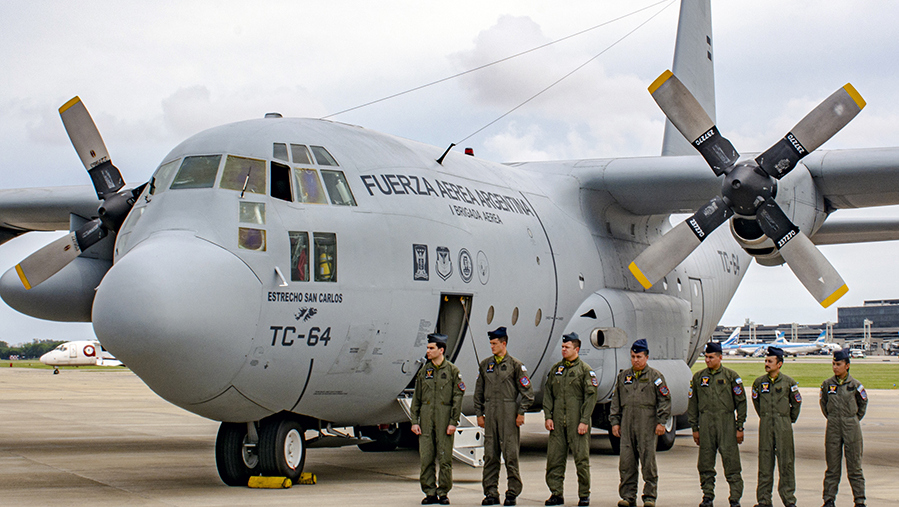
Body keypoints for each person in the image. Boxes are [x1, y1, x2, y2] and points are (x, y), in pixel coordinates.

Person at [474, 327, 535, 506]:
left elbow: (527, 392)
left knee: (510, 455)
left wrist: (521, 412)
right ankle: (491, 492)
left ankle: (513, 492)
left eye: (494, 343)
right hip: (490, 413)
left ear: (504, 343)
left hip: (508, 413)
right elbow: (478, 392)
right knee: (490, 455)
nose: (492, 347)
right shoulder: (486, 365)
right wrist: (479, 413)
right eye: (491, 344)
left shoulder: (516, 365)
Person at [610, 339, 671, 507]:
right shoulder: (624, 377)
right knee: (627, 463)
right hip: (627, 424)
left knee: (648, 463)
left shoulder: (655, 377)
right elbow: (616, 401)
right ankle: (628, 497)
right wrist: (615, 422)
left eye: (639, 356)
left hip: (647, 425)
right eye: (633, 356)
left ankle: (650, 496)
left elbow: (665, 401)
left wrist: (662, 422)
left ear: (646, 357)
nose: (635, 360)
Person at [688, 341, 747, 507]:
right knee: (705, 463)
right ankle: (707, 497)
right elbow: (693, 403)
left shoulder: (731, 377)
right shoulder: (699, 378)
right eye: (706, 357)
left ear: (720, 357)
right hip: (706, 424)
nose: (707, 360)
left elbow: (741, 402)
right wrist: (695, 428)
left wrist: (739, 426)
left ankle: (735, 498)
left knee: (732, 463)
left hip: (726, 424)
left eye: (711, 357)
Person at [543, 332, 598, 507]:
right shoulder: (556, 370)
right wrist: (548, 416)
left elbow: (591, 397)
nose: (563, 350)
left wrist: (584, 420)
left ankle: (584, 495)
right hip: (558, 423)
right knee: (554, 460)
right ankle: (556, 493)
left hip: (577, 423)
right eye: (562, 347)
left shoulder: (585, 371)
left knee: (581, 460)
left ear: (577, 349)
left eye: (567, 347)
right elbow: (549, 395)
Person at [411, 333, 465, 505]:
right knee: (426, 458)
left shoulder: (452, 371)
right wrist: (414, 421)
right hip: (426, 420)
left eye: (431, 348)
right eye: (427, 348)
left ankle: (443, 492)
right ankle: (429, 492)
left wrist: (452, 422)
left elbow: (458, 397)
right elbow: (416, 398)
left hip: (444, 420)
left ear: (441, 350)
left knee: (444, 459)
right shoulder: (423, 372)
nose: (428, 351)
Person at [751, 346, 801, 507]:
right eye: (766, 361)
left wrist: (788, 420)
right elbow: (756, 402)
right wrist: (765, 416)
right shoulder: (759, 383)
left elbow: (796, 403)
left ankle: (789, 499)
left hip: (783, 426)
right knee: (765, 463)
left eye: (770, 361)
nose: (766, 364)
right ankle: (764, 500)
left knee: (786, 463)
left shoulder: (788, 383)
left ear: (779, 364)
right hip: (766, 426)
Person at [820, 348, 867, 507]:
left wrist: (852, 419)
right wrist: (834, 418)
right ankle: (829, 499)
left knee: (854, 466)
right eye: (833, 364)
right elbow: (824, 405)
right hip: (833, 426)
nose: (835, 367)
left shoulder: (855, 385)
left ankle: (859, 500)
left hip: (851, 426)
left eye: (838, 364)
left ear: (847, 365)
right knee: (832, 467)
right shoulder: (827, 385)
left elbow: (862, 405)